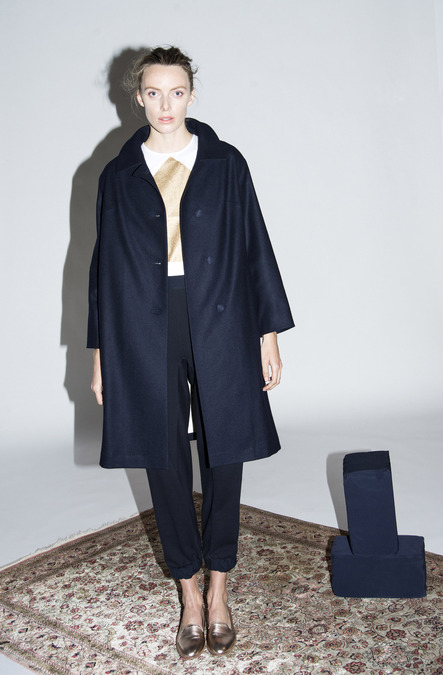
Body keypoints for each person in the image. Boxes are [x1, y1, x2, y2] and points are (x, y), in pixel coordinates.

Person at [88, 46, 294, 659]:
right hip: (142, 326)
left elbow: (255, 245)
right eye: (153, 93)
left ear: (191, 95)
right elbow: (103, 269)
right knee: (162, 453)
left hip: (222, 318)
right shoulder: (118, 175)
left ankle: (220, 587)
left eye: (176, 92)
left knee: (225, 450)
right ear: (138, 97)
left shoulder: (226, 164)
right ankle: (189, 593)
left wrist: (268, 333)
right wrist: (100, 353)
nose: (165, 105)